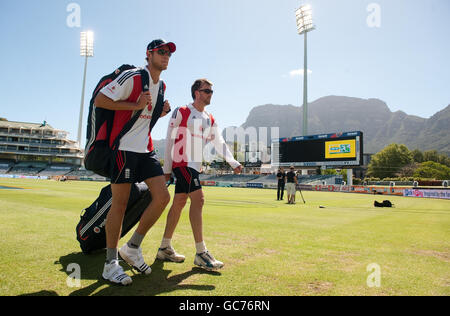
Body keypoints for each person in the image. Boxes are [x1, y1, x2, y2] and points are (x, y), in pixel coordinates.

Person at [94, 39, 175, 285]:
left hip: (145, 149)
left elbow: (143, 120)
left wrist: (159, 112)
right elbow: (100, 100)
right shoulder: (133, 76)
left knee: (162, 197)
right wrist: (135, 104)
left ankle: (132, 247)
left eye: (169, 53)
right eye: (161, 52)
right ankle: (110, 264)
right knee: (119, 204)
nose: (166, 56)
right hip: (123, 149)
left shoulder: (161, 86)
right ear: (148, 54)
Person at [159, 78, 242, 270]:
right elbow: (169, 140)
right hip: (182, 164)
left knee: (179, 203)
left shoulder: (210, 118)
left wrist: (233, 162)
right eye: (207, 91)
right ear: (197, 92)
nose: (210, 95)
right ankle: (201, 253)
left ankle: (164, 247)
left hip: (194, 167)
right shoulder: (182, 111)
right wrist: (167, 169)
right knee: (199, 199)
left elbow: (219, 142)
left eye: (211, 92)